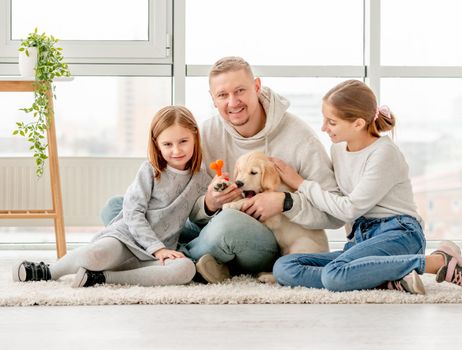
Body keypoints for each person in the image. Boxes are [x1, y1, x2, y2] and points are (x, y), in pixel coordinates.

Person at [101, 56, 345, 283]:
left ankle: (173, 261)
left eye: (240, 91)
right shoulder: (207, 134)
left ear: (257, 86)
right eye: (223, 95)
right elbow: (187, 206)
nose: (233, 102)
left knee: (227, 224)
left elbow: (335, 213)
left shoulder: (300, 138)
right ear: (212, 98)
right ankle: (185, 260)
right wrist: (208, 204)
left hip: (268, 240)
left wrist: (286, 202)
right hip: (210, 228)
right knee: (118, 206)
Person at [271, 79, 462, 294]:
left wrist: (300, 183)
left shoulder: (384, 153)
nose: (324, 127)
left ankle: (439, 261)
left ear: (358, 123)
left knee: (334, 275)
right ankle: (382, 277)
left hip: (399, 234)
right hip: (361, 238)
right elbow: (335, 199)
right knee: (285, 268)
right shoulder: (338, 150)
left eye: (332, 122)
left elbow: (349, 209)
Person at [13, 106, 210, 288]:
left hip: (161, 250)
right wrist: (156, 248)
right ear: (157, 145)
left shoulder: (201, 179)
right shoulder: (149, 171)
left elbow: (203, 210)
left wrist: (222, 195)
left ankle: (101, 278)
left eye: (183, 141)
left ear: (195, 137)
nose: (176, 150)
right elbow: (133, 213)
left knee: (186, 269)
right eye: (168, 144)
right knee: (94, 255)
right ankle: (49, 271)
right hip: (126, 239)